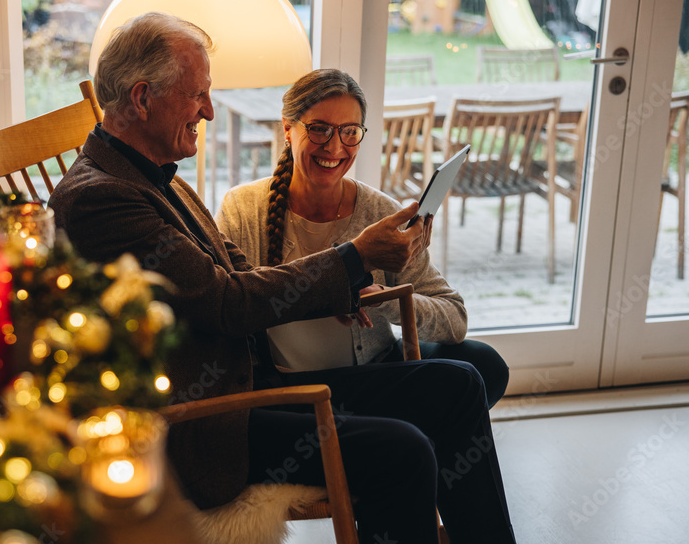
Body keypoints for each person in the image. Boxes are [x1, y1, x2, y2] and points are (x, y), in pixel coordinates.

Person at [48, 12, 543, 544]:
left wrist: (350, 287)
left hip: (254, 385)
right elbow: (229, 304)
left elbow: (237, 278)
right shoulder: (104, 198)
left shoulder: (157, 178)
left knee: (459, 380)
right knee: (404, 451)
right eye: (199, 93)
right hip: (211, 419)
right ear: (144, 97)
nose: (208, 110)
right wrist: (355, 259)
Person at [215, 69, 510, 406]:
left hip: (371, 372)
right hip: (291, 385)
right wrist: (334, 287)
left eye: (349, 132)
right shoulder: (243, 208)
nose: (335, 146)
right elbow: (231, 305)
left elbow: (454, 318)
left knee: (484, 364)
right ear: (287, 128)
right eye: (319, 129)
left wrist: (383, 297)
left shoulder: (381, 212)